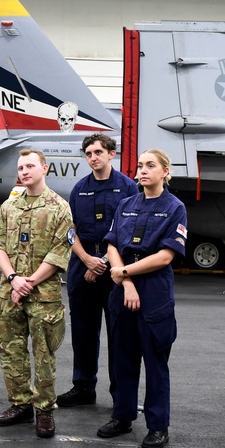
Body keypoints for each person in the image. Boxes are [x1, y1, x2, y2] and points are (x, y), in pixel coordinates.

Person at [96, 149, 187, 448]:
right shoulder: (126, 204)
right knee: (122, 359)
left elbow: (165, 256)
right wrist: (126, 281)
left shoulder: (175, 208)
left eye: (151, 166)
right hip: (124, 289)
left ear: (165, 171)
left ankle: (158, 426)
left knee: (155, 361)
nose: (143, 170)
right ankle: (122, 417)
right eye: (140, 165)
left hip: (155, 294)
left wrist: (123, 272)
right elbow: (111, 246)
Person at [0, 150, 72, 439]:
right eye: (20, 167)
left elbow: (60, 252)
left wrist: (30, 281)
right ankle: (20, 404)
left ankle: (45, 409)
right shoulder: (9, 207)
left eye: (30, 166)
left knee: (44, 354)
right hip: (10, 291)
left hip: (43, 296)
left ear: (44, 168)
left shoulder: (59, 208)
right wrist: (13, 278)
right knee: (11, 351)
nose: (24, 171)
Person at [57, 134, 138, 409]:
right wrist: (87, 260)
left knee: (119, 333)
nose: (93, 157)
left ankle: (120, 393)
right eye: (88, 153)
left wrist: (101, 262)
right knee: (82, 331)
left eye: (98, 152)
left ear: (111, 154)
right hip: (82, 264)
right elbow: (70, 231)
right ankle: (83, 386)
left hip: (116, 265)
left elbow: (129, 230)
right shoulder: (79, 189)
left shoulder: (128, 188)